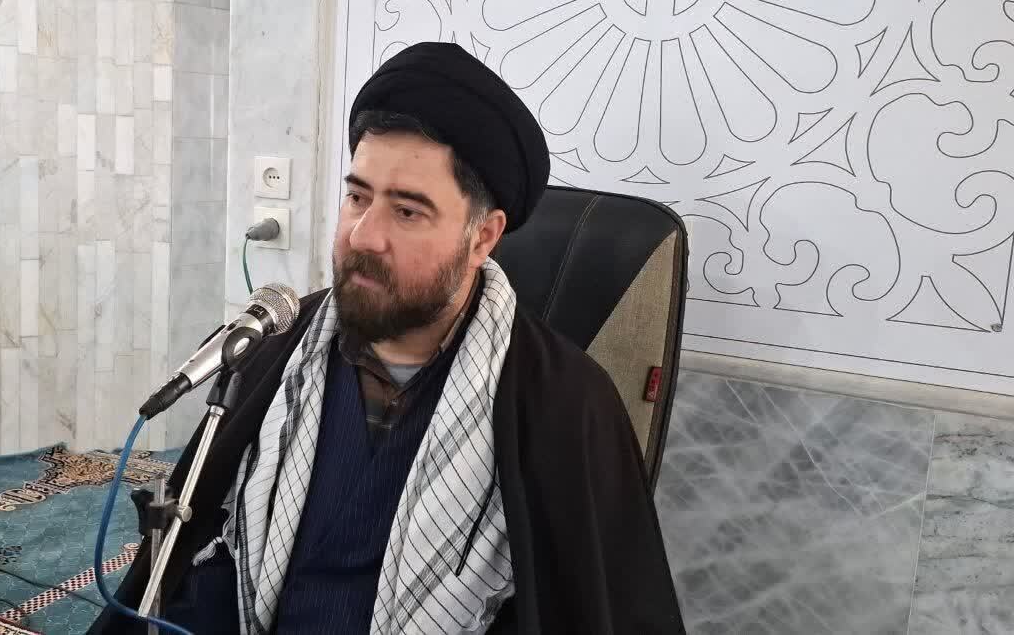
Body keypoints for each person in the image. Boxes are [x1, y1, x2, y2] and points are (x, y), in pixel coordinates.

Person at [90, 42, 685, 634]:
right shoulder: (277, 347)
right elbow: (208, 557)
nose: (363, 236)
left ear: (482, 238)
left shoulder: (567, 404)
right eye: (357, 197)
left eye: (407, 212)